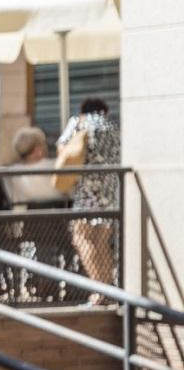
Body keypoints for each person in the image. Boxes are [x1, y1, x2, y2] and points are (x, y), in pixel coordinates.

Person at [59, 98, 120, 297]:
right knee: (101, 242)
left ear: (83, 111)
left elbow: (63, 149)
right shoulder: (113, 127)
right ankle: (108, 289)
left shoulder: (79, 122)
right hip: (109, 191)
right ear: (104, 111)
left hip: (86, 190)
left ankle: (98, 290)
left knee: (81, 237)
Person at [7, 125, 65, 205]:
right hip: (58, 210)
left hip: (28, 212)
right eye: (43, 144)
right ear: (38, 150)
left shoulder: (13, 171)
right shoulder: (52, 166)